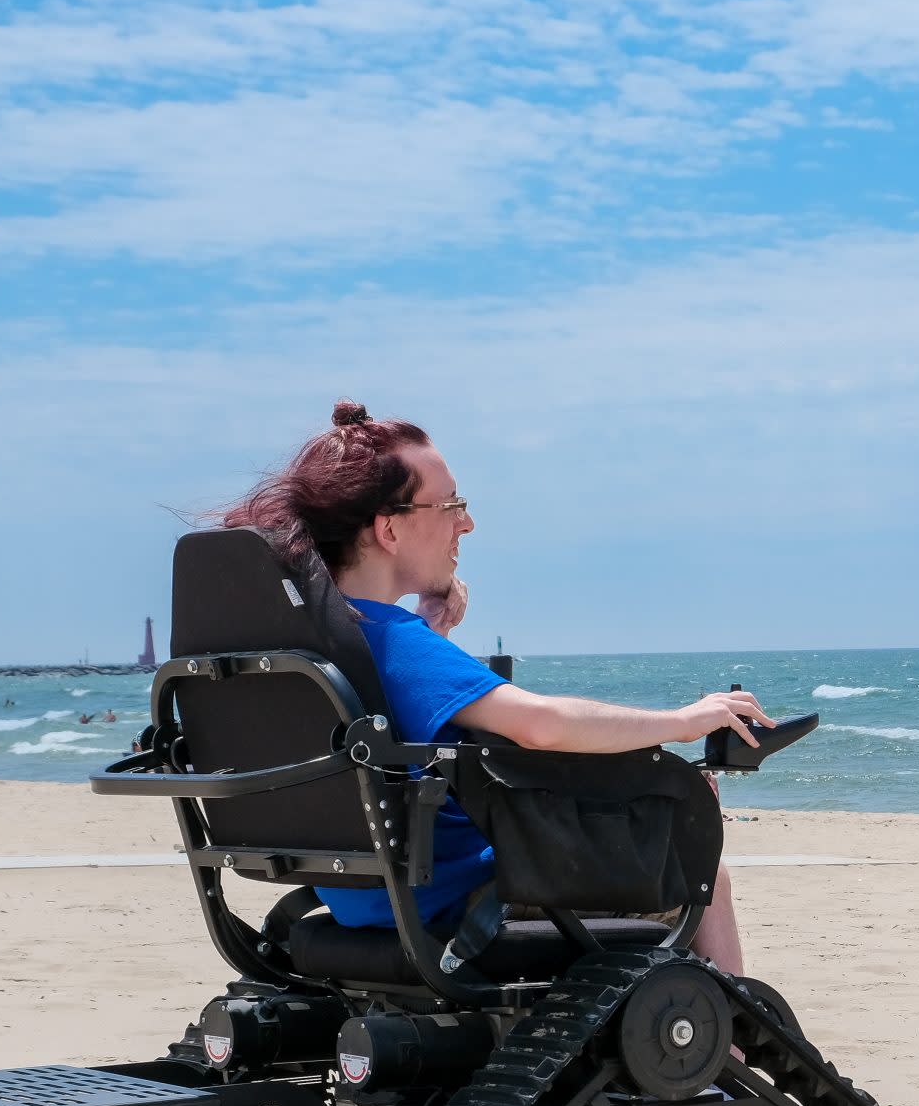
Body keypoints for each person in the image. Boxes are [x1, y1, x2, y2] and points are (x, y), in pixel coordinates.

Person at [217, 400, 773, 974]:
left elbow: (384, 701)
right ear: (388, 528)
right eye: (451, 504)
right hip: (464, 902)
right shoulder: (393, 639)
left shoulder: (315, 646)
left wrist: (432, 625)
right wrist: (687, 720)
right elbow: (540, 725)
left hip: (362, 899)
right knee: (704, 876)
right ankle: (725, 1049)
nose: (467, 523)